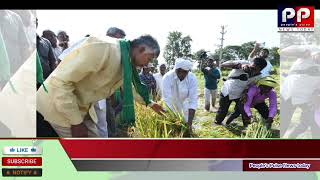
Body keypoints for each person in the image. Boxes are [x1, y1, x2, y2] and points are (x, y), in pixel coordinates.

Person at [37, 35, 165, 138]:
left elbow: (129, 89)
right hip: (58, 106)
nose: (147, 64)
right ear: (142, 49)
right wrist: (76, 122)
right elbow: (60, 82)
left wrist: (151, 103)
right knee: (85, 157)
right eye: (149, 58)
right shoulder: (104, 48)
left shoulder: (125, 62)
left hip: (81, 109)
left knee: (96, 151)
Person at [280, 45, 320, 138]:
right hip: (290, 92)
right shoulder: (312, 49)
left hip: (311, 97)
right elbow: (284, 51)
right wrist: (302, 52)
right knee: (284, 122)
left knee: (314, 123)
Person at [215, 58, 267, 125]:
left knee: (242, 110)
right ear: (251, 63)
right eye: (252, 67)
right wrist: (240, 65)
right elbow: (223, 64)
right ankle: (218, 122)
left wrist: (245, 93)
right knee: (223, 109)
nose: (252, 70)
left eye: (256, 70)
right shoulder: (243, 62)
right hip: (227, 90)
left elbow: (251, 87)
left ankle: (247, 127)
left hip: (240, 94)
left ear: (261, 69)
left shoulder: (259, 77)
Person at [162, 58, 198, 134]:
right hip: (171, 107)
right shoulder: (167, 78)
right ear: (176, 70)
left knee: (186, 130)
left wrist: (190, 123)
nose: (183, 75)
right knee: (173, 131)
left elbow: (193, 100)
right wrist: (172, 120)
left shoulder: (192, 78)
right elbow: (167, 100)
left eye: (186, 72)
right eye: (180, 72)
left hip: (185, 106)